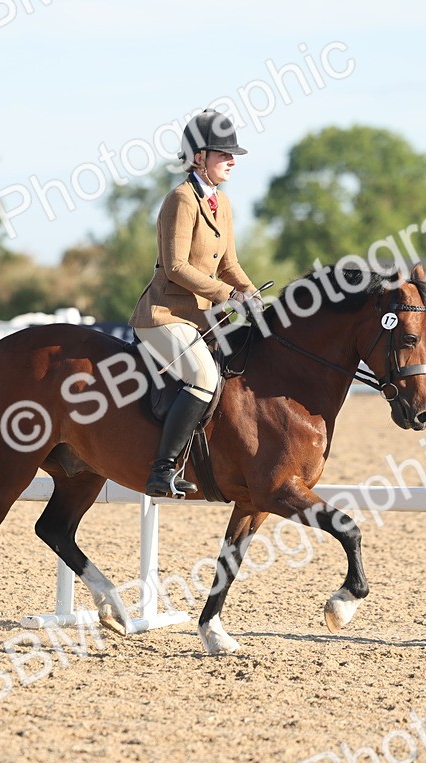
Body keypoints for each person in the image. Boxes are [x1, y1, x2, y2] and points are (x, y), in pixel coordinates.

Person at [129, 109, 263, 497]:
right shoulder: (181, 199)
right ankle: (162, 469)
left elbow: (230, 264)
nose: (232, 161)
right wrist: (227, 295)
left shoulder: (222, 201)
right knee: (203, 377)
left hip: (200, 318)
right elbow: (175, 267)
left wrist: (252, 294)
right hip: (164, 315)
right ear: (200, 157)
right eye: (224, 154)